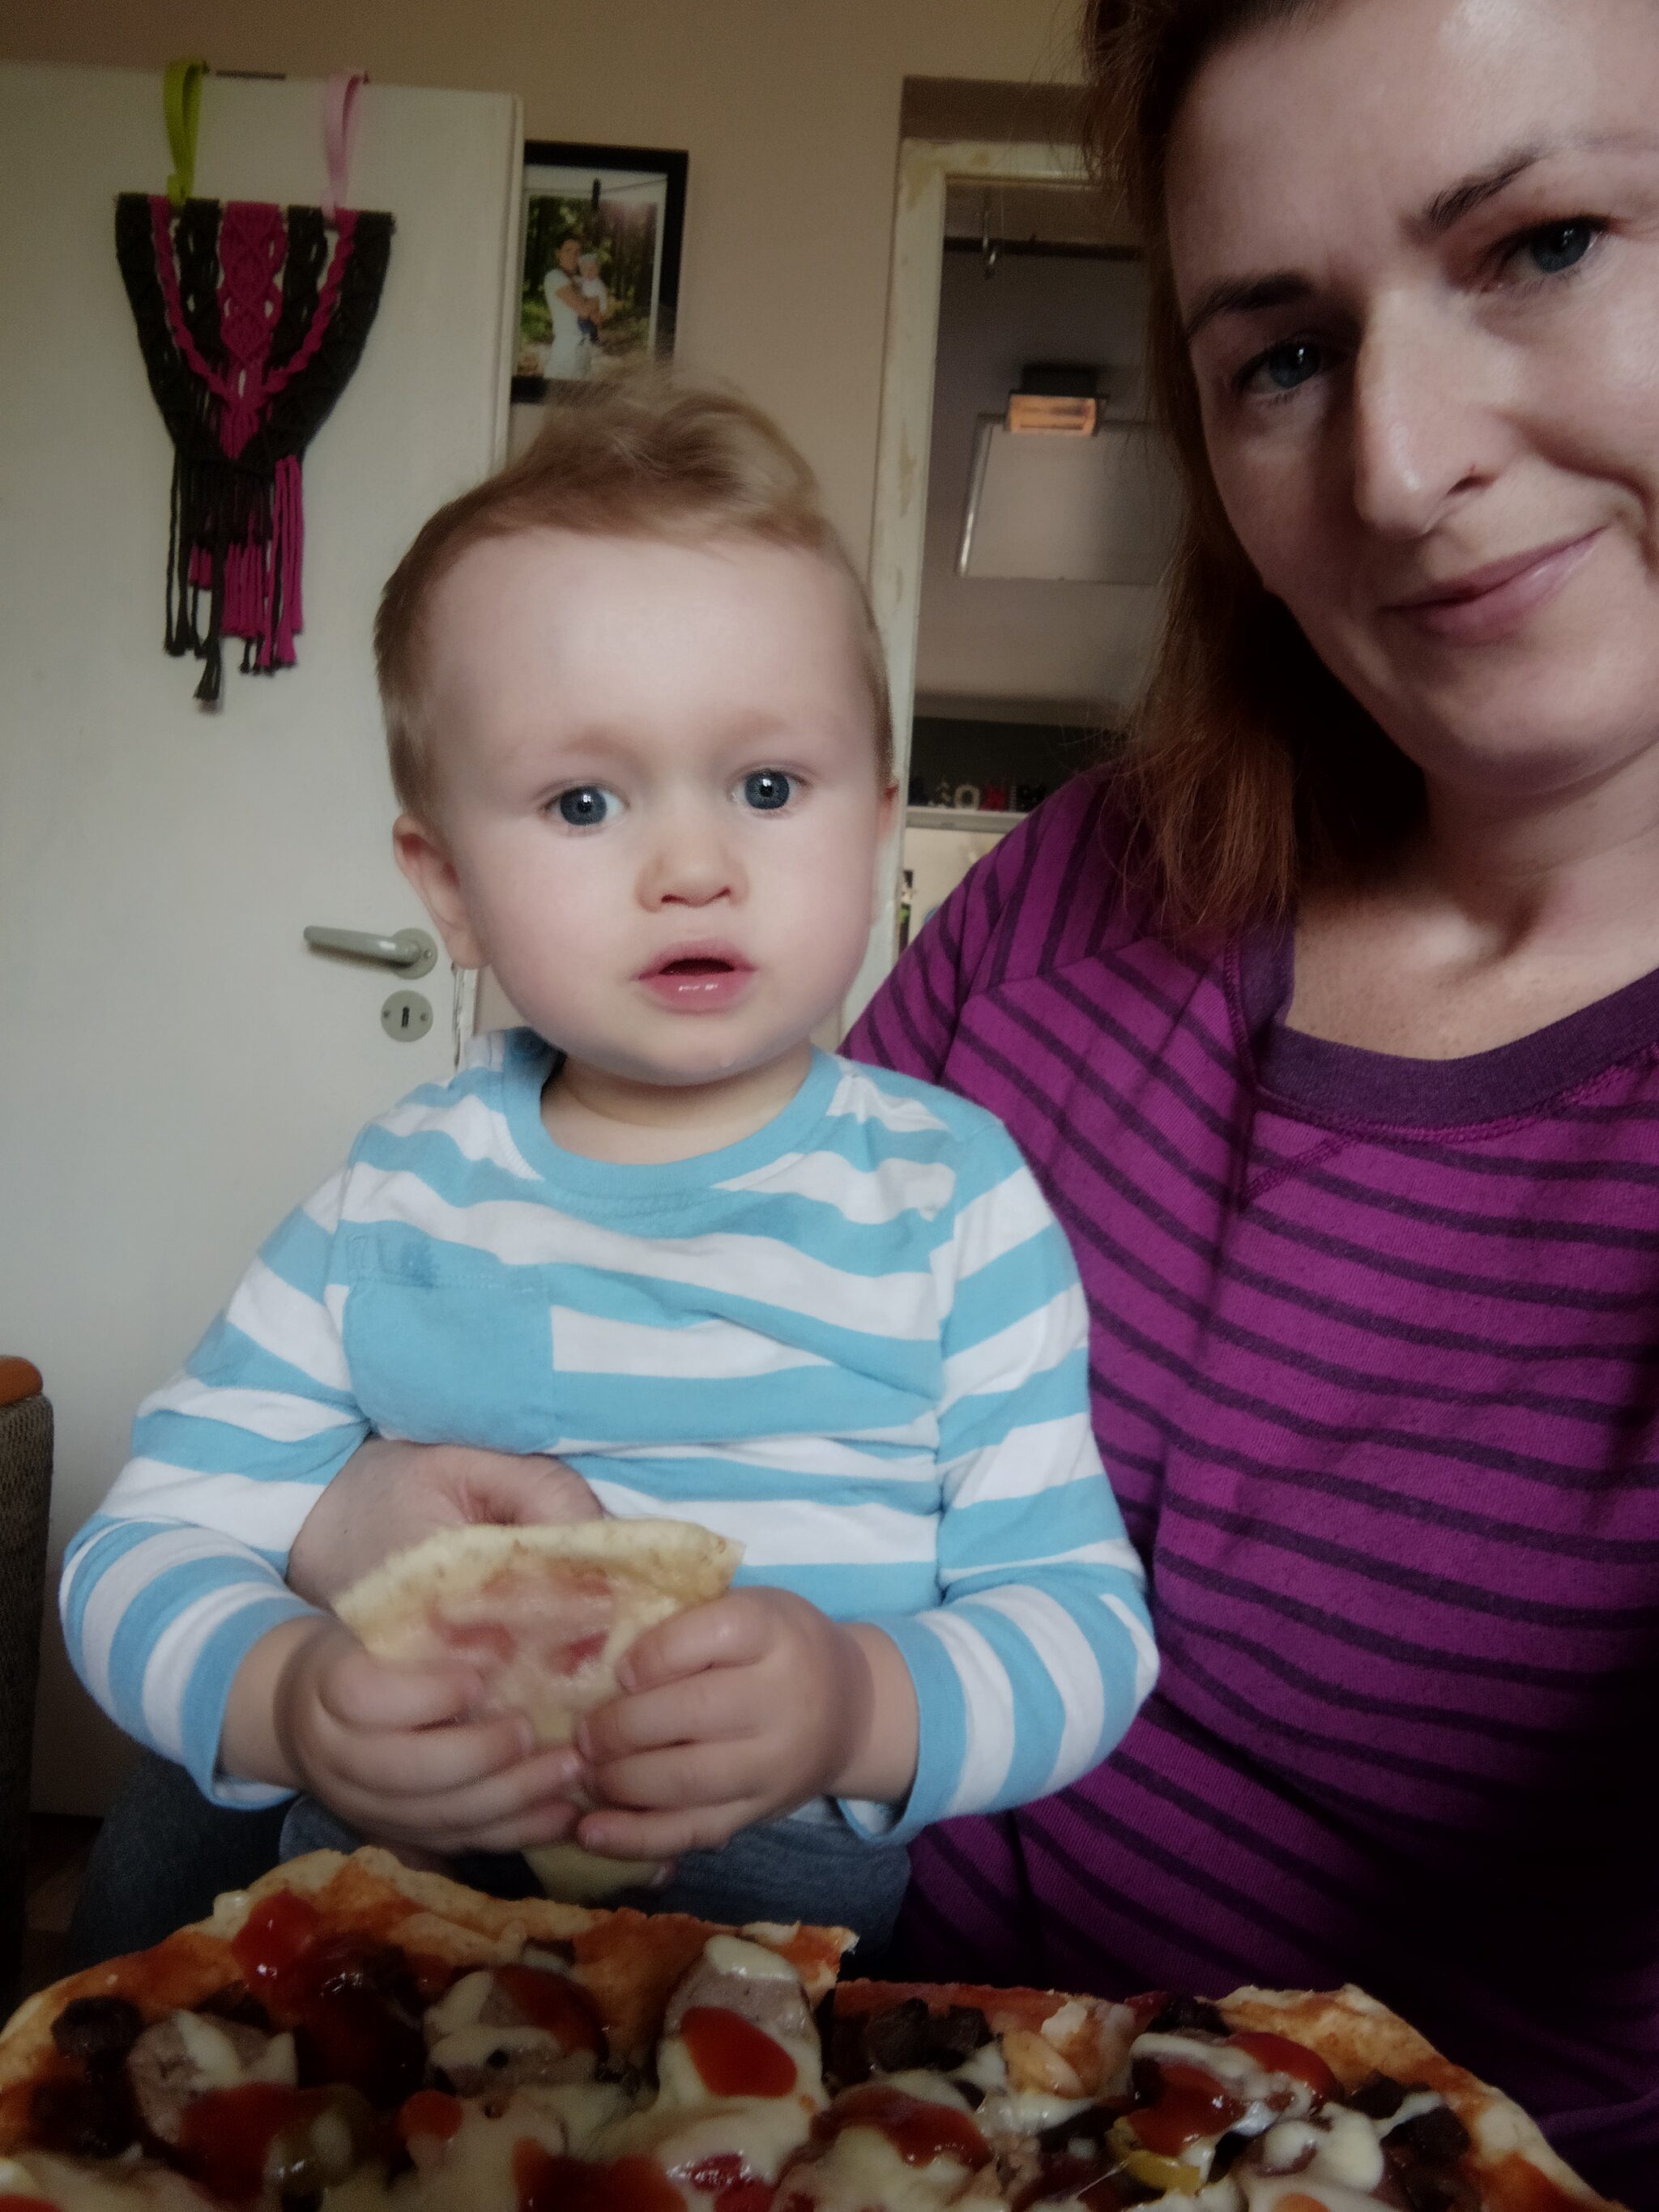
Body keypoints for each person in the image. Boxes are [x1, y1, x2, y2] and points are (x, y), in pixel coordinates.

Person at [230, 0, 1659, 2196]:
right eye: (1282, 354)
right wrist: (367, 1511)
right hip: (762, 2045)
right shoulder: (1087, 877)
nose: (1395, 464)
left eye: (1543, 244)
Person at [59, 378, 1155, 1953]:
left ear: (873, 830)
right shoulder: (397, 1195)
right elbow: (138, 1548)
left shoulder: (950, 1202)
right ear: (447, 885)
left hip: (771, 1968)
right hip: (371, 1933)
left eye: (767, 787)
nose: (692, 865)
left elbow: (1083, 1626)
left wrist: (860, 1704)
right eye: (582, 800)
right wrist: (285, 1694)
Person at [542, 237, 593, 381]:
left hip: (584, 346)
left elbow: (599, 313)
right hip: (566, 346)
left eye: (577, 252)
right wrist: (591, 302)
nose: (573, 256)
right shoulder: (554, 277)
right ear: (558, 253)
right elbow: (584, 310)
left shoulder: (580, 281)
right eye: (568, 251)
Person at [576, 248, 612, 347]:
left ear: (598, 270)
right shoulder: (582, 281)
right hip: (584, 307)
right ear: (581, 271)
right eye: (585, 270)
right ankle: (583, 338)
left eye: (592, 269)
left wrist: (603, 311)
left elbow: (603, 297)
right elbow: (575, 281)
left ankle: (593, 339)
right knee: (581, 321)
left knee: (593, 324)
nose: (589, 272)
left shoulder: (599, 284)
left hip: (594, 309)